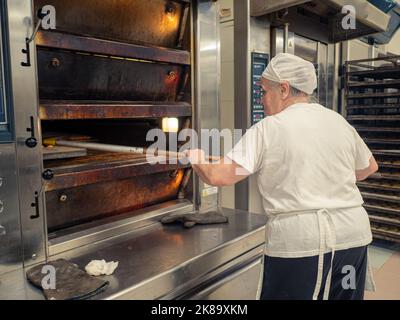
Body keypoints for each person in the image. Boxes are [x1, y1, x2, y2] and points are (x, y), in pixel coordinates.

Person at [185, 53, 379, 300]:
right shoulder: (338, 121)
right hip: (353, 236)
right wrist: (326, 171)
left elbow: (219, 176)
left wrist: (197, 157)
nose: (262, 99)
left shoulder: (270, 128)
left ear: (284, 89)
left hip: (302, 243)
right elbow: (368, 167)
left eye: (264, 91)